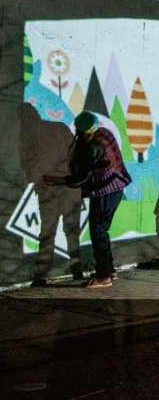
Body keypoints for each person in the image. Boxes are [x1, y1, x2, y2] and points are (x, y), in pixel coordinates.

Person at [43, 110, 132, 288]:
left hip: (104, 192)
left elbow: (79, 179)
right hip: (117, 188)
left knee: (98, 232)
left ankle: (104, 276)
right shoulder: (105, 133)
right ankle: (108, 270)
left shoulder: (92, 147)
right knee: (102, 232)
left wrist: (57, 180)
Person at [19, 103, 83, 287]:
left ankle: (41, 275)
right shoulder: (59, 128)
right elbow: (76, 155)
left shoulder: (26, 139)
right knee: (72, 232)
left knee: (47, 233)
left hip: (48, 190)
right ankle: (77, 271)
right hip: (70, 188)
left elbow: (29, 172)